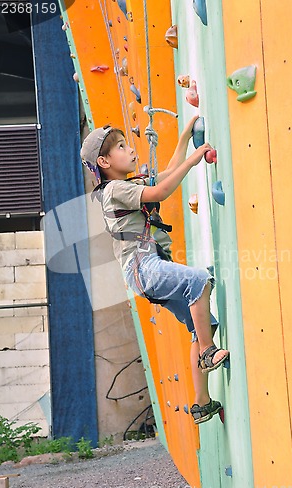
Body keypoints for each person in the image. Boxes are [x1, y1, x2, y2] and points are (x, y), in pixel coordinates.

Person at [81, 116, 229, 424]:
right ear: (104, 161)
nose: (130, 149)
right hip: (143, 268)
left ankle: (202, 402)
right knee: (199, 281)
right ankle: (207, 352)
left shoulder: (127, 185)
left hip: (150, 267)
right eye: (122, 146)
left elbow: (169, 171)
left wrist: (185, 139)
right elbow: (160, 192)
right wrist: (193, 159)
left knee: (202, 324)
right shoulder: (113, 191)